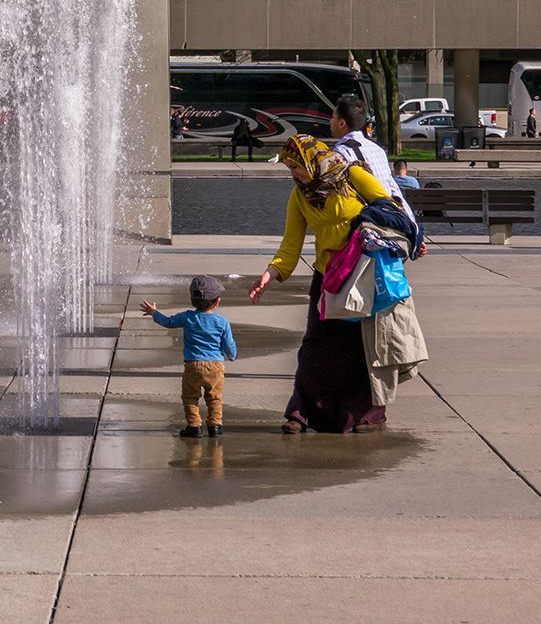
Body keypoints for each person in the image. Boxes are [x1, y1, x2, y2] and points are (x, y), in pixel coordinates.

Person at [248, 136, 392, 434]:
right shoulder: (300, 196)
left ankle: (370, 415)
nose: (293, 174)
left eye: (296, 167)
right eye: (289, 168)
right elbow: (290, 245)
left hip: (362, 273)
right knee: (314, 346)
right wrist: (270, 274)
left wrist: (406, 238)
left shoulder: (350, 175)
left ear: (311, 161)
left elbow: (387, 206)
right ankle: (300, 414)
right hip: (327, 276)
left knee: (363, 347)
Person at [140, 274, 237, 439]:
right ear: (217, 301)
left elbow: (168, 322)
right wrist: (232, 355)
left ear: (191, 299)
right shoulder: (222, 321)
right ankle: (215, 426)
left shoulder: (187, 317)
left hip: (193, 365)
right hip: (216, 366)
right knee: (214, 398)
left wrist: (154, 312)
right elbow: (229, 345)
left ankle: (194, 426)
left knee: (190, 397)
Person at [329, 96, 416, 224]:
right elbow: (394, 191)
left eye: (333, 117)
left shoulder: (340, 154)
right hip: (386, 222)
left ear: (342, 123)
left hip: (362, 227)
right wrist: (413, 228)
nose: (330, 121)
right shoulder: (378, 150)